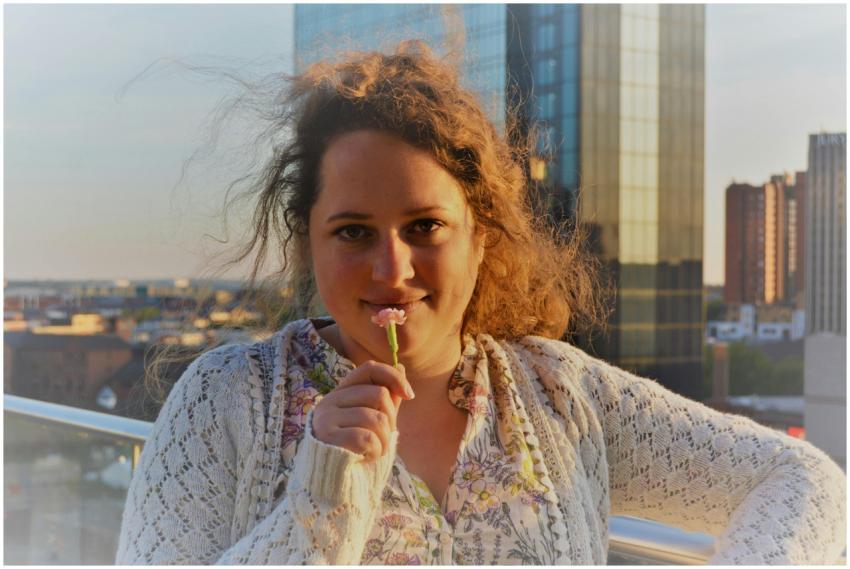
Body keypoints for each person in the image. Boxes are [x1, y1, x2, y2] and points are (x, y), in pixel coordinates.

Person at [116, 41, 846, 565]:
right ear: (308, 241)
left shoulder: (561, 393)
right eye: (353, 231)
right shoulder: (224, 399)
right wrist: (319, 502)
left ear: (480, 238)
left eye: (425, 226)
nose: (392, 267)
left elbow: (803, 479)